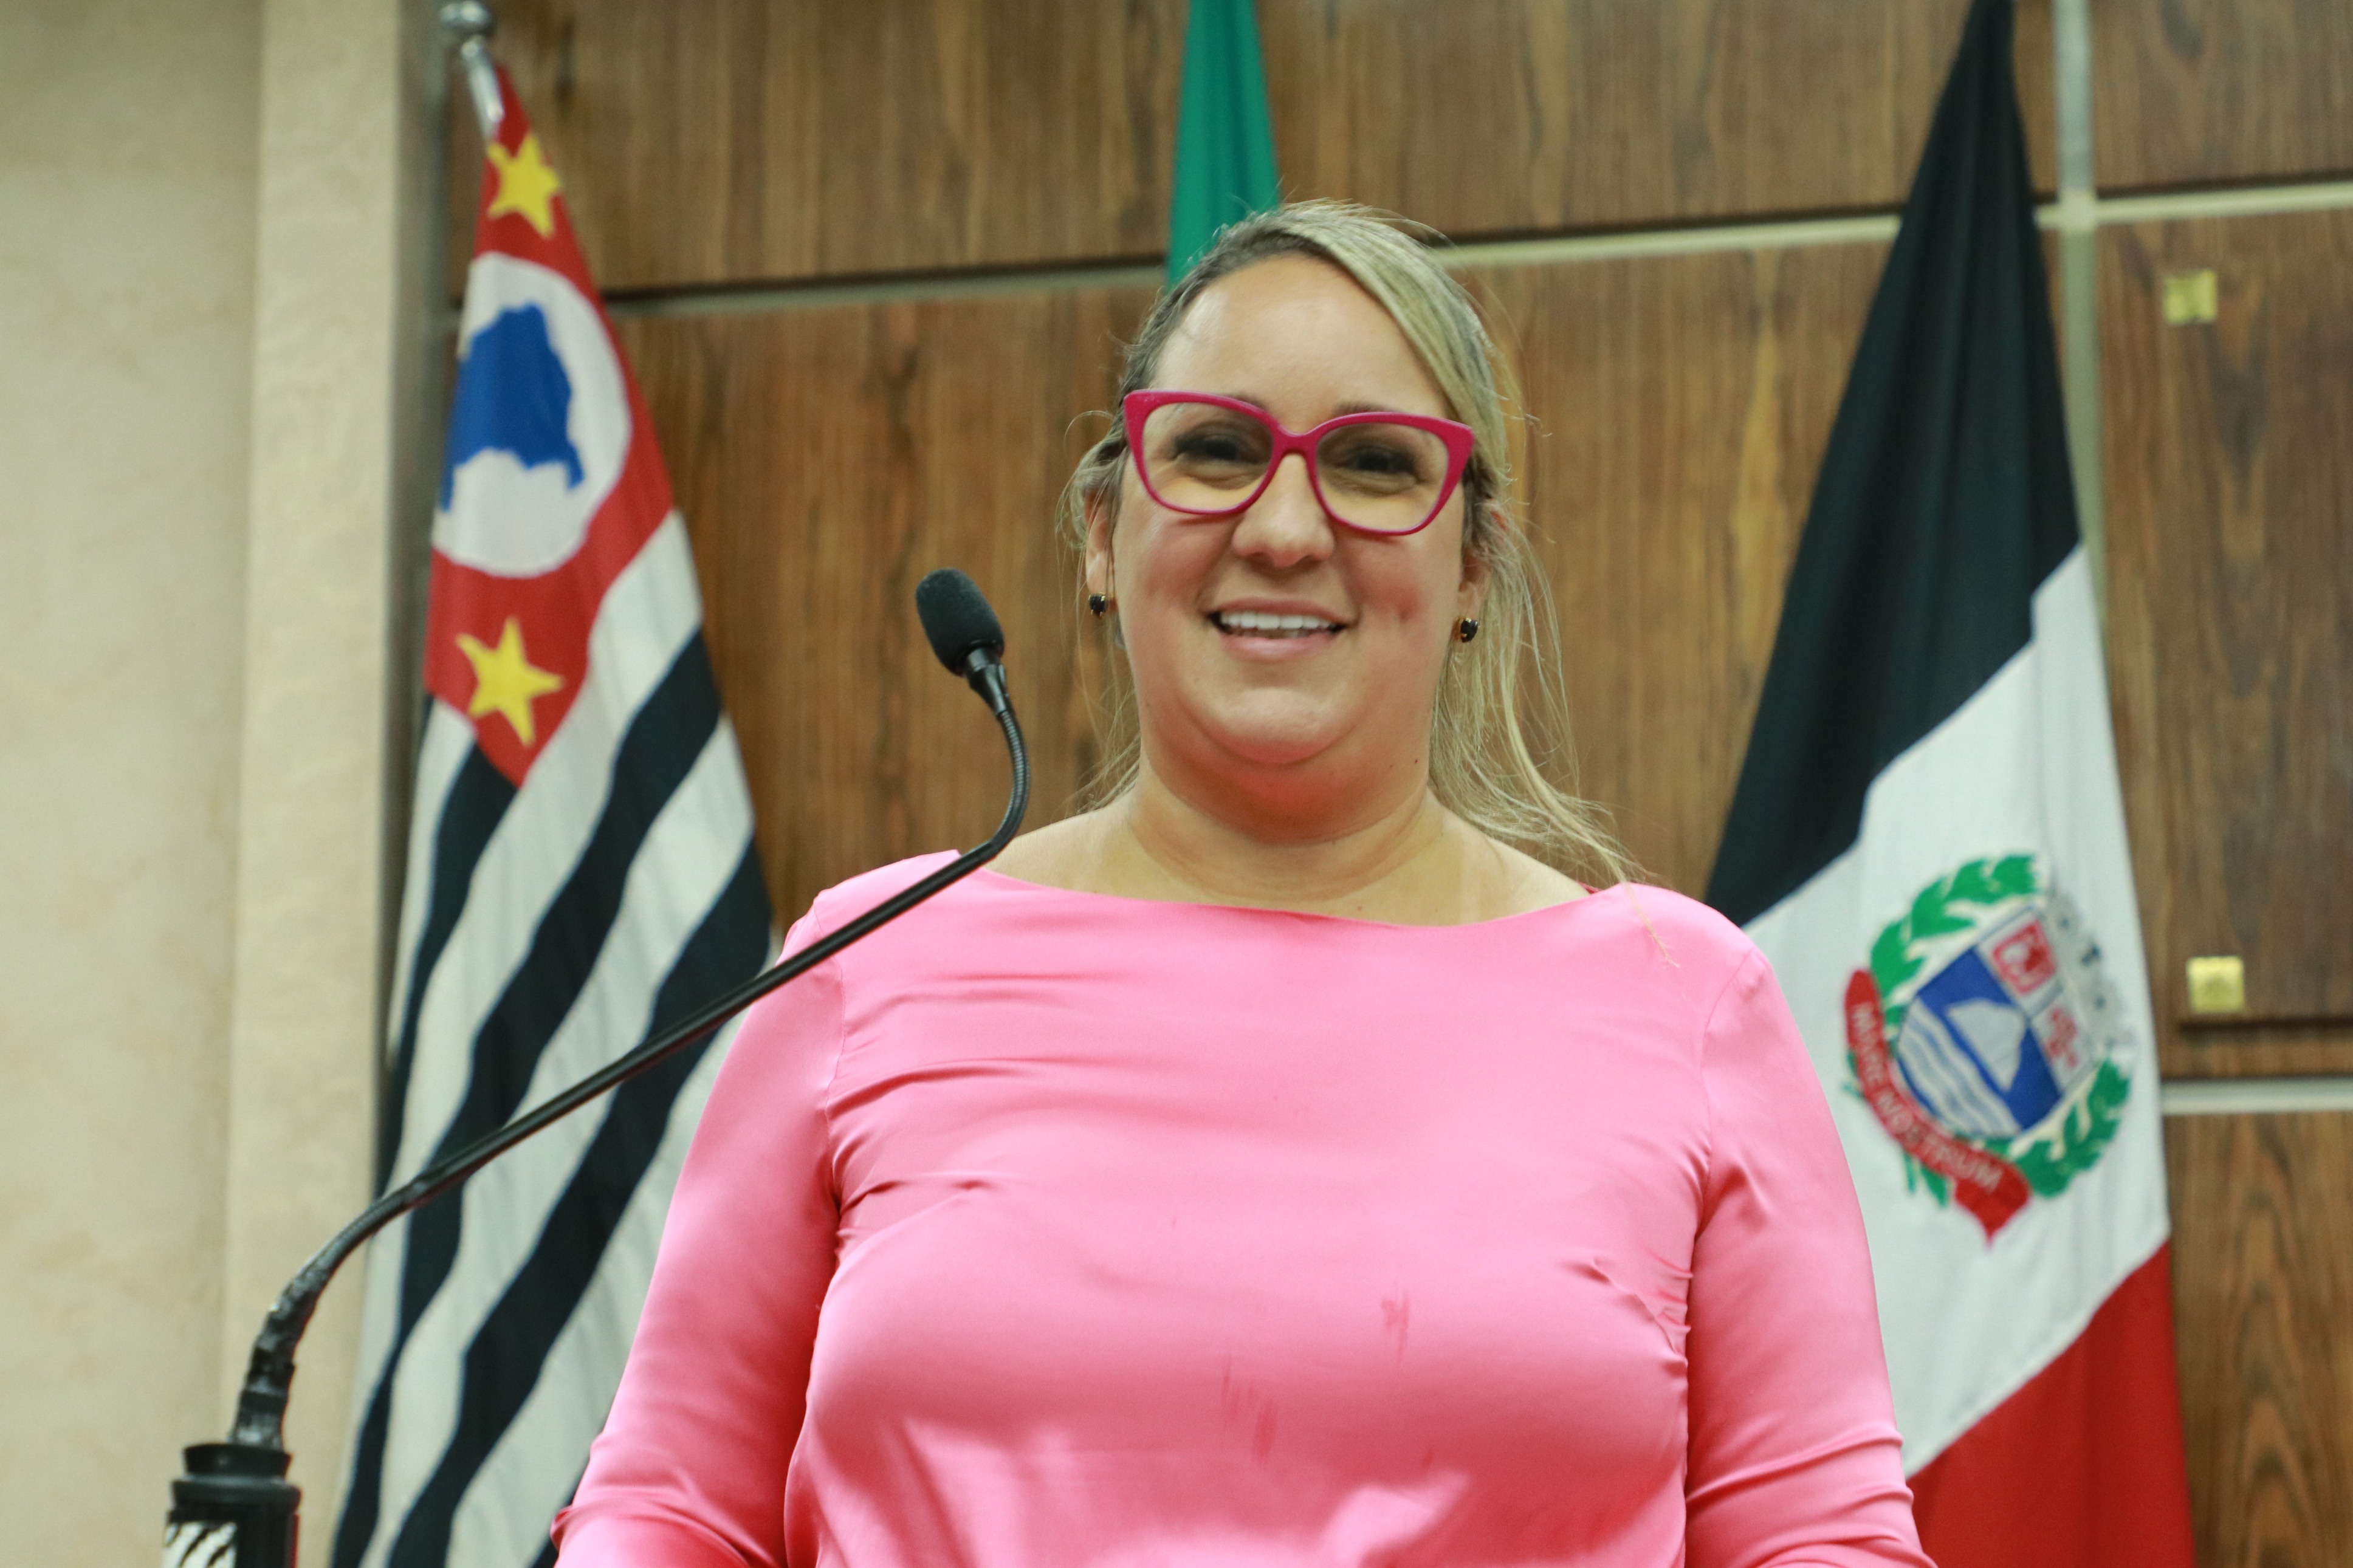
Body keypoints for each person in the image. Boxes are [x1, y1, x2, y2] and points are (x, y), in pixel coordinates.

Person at [552, 202, 1933, 1568]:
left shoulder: (1684, 1000)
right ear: (1103, 534)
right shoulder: (865, 964)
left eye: (1374, 464)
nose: (1282, 528)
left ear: (1473, 565)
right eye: (1215, 449)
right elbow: (671, 1512)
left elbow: (1819, 1542)